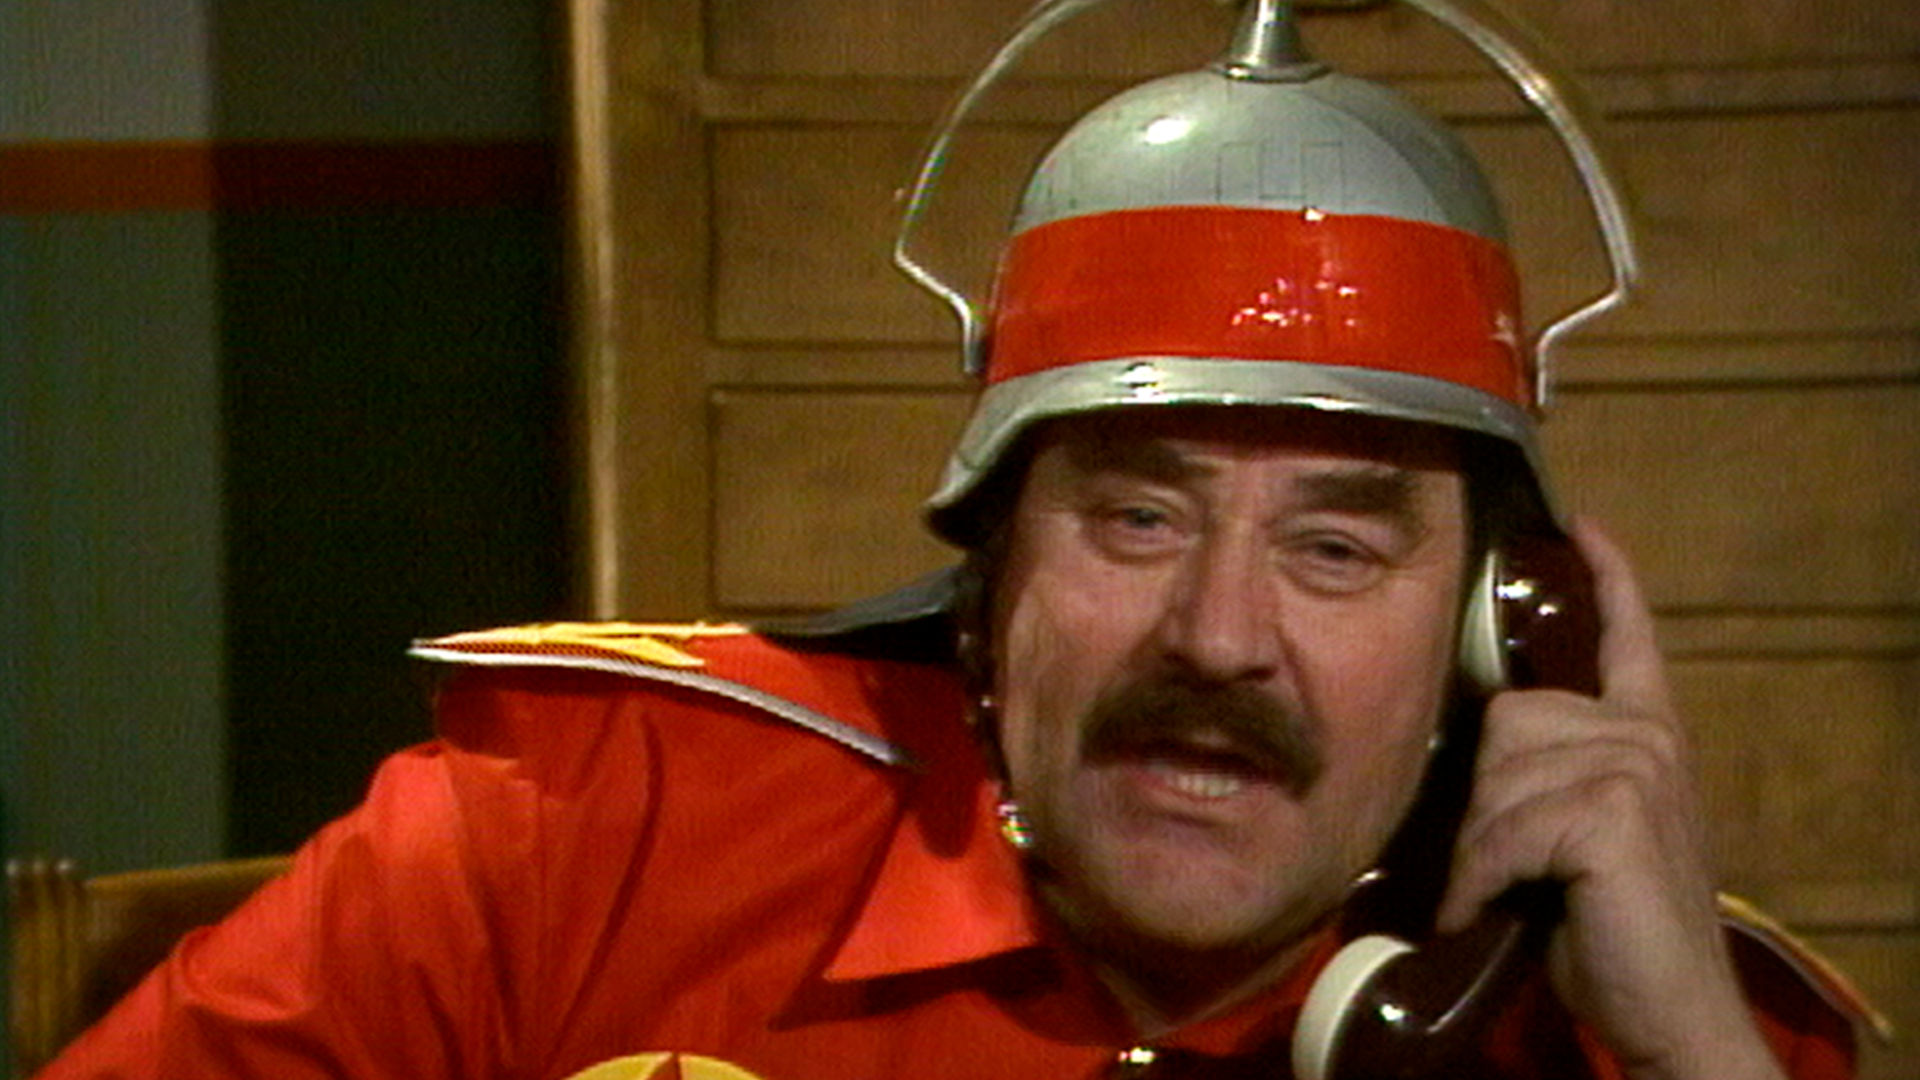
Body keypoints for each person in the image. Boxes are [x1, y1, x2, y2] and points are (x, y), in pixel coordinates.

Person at [37, 2, 1875, 1077]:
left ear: (1501, 626)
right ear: (987, 581)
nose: (1218, 636)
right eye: (1137, 514)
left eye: (1337, 550)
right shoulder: (578, 834)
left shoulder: (1659, 1025)